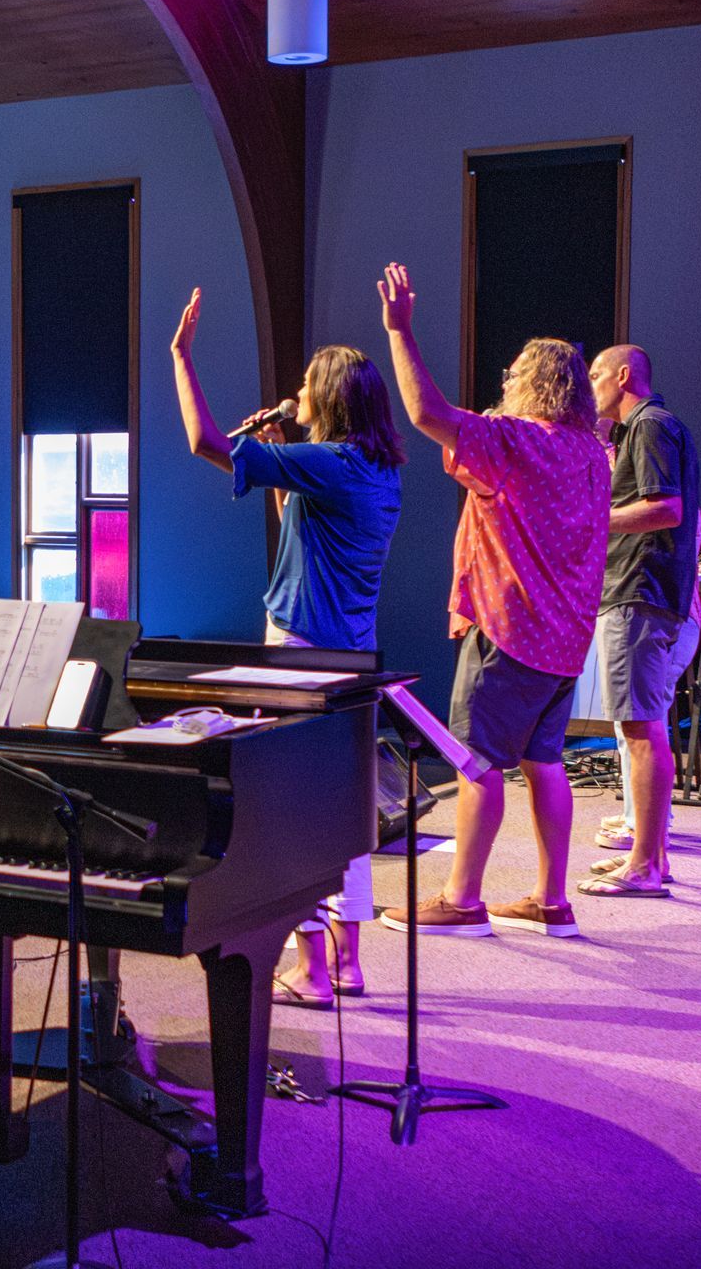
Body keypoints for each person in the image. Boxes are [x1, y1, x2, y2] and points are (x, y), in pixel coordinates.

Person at [171, 286, 405, 1003]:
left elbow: (205, 443)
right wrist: (279, 462)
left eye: (305, 383)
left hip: (300, 649)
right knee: (340, 812)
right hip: (348, 651)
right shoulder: (373, 465)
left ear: (327, 397)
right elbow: (301, 525)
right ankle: (347, 961)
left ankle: (308, 969)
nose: (292, 391)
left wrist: (181, 355)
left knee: (287, 810)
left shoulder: (331, 462)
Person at [373, 263, 610, 938]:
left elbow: (426, 414)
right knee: (544, 763)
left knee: (473, 764)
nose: (503, 384)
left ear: (532, 385)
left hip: (511, 635)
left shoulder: (517, 440)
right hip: (565, 643)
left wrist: (400, 331)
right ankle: (551, 899)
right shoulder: (590, 453)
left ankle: (463, 898)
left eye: (511, 376)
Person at [576, 346, 700, 898]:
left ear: (624, 376)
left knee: (640, 729)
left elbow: (666, 509)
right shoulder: (641, 430)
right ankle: (651, 855)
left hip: (639, 591)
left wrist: (590, 521)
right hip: (641, 590)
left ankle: (646, 865)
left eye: (598, 375)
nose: (592, 384)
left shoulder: (650, 425)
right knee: (640, 727)